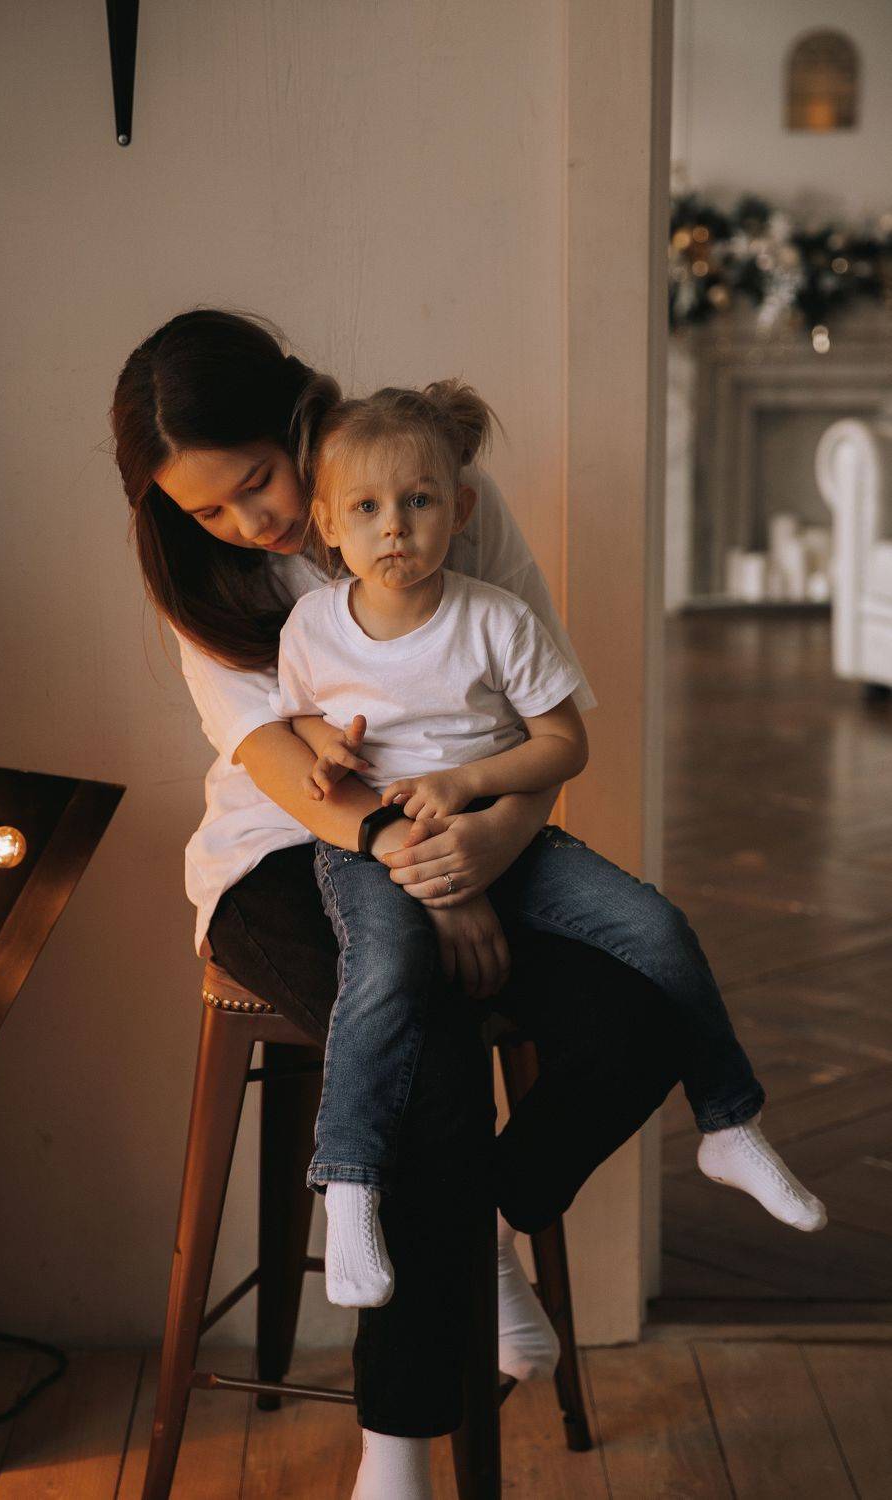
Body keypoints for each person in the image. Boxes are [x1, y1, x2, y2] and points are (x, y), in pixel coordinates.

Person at [109, 309, 715, 1500]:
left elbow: (537, 728)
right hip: (282, 858)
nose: (249, 523)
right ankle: (396, 1453)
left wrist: (483, 853)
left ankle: (478, 1228)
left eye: (255, 482)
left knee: (645, 1010)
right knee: (425, 1049)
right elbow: (283, 768)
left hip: (465, 830)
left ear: (297, 417)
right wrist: (422, 879)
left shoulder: (429, 494)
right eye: (209, 512)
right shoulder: (207, 583)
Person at [267, 374, 827, 1319]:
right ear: (326, 524)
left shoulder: (495, 619)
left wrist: (467, 785)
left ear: (460, 511)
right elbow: (300, 720)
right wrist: (327, 750)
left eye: (418, 501)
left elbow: (564, 744)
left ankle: (727, 1119)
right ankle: (351, 1183)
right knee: (385, 969)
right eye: (365, 508)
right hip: (372, 856)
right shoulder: (313, 625)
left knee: (655, 926)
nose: (394, 527)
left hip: (506, 840)